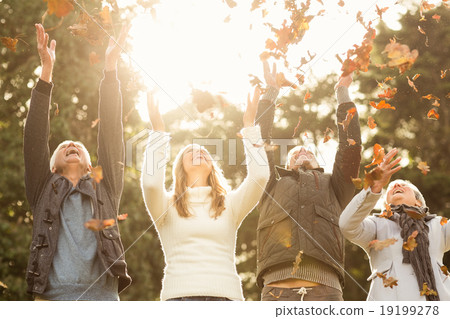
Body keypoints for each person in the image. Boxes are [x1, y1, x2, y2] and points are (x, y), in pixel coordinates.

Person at [24, 24, 131, 300]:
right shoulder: (42, 188)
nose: (71, 145)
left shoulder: (104, 187)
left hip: (103, 299)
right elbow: (35, 135)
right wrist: (46, 74)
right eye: (63, 146)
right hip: (51, 300)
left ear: (89, 166)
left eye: (78, 147)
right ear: (51, 167)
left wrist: (110, 68)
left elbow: (111, 132)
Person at [141, 88, 270, 301]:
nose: (198, 151)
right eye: (190, 151)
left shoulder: (230, 205)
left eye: (204, 151)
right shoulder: (166, 205)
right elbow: (151, 184)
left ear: (212, 166)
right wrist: (158, 131)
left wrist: (249, 126)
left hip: (226, 298)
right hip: (179, 299)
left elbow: (260, 176)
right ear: (180, 167)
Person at [255, 61, 362, 301]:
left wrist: (342, 92)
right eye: (294, 153)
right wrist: (271, 91)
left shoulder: (335, 185)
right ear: (287, 164)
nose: (301, 150)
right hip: (275, 291)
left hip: (326, 291)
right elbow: (258, 141)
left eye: (308, 151)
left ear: (317, 162)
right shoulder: (269, 182)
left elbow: (350, 147)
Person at [339, 149, 450, 301]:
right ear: (386, 205)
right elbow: (346, 225)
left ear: (418, 201)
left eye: (404, 185)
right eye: (390, 188)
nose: (396, 184)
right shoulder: (376, 225)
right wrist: (374, 185)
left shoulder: (438, 225)